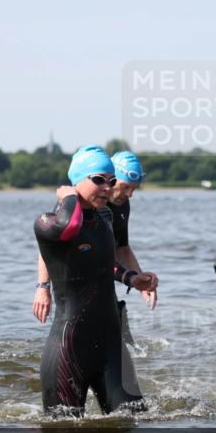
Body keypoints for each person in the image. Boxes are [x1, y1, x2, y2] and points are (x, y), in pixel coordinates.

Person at [33, 145, 157, 416]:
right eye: (99, 180)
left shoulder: (106, 216)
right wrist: (69, 197)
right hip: (69, 349)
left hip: (109, 344)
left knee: (135, 423)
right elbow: (69, 228)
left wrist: (132, 278)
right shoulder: (47, 221)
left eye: (111, 181)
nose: (107, 188)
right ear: (77, 180)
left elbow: (105, 261)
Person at [33, 150, 156, 327]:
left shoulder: (120, 207)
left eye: (133, 189)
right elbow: (48, 248)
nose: (129, 195)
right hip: (75, 285)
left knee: (112, 318)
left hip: (106, 274)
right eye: (125, 187)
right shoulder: (74, 206)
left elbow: (122, 247)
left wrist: (138, 280)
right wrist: (43, 287)